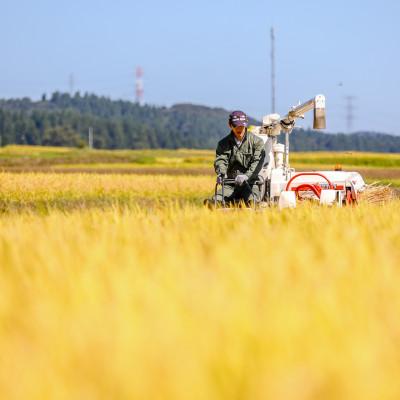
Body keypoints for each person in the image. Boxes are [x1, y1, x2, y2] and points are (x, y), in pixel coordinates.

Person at [212, 110, 265, 206]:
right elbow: (221, 160)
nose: (239, 129)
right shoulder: (223, 144)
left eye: (242, 126)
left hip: (250, 184)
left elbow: (257, 162)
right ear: (230, 125)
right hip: (230, 184)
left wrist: (246, 176)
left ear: (246, 125)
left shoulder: (257, 142)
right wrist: (221, 173)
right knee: (216, 202)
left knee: (253, 203)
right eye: (236, 126)